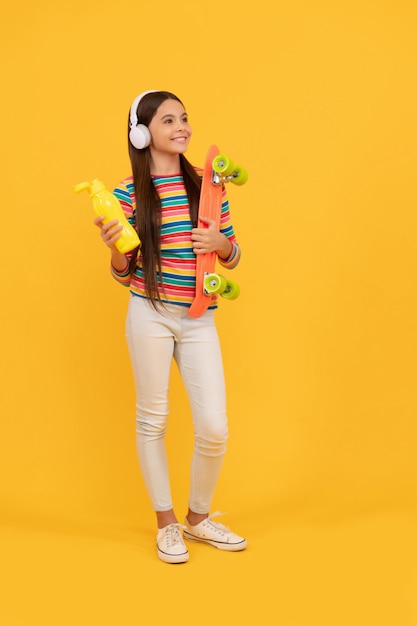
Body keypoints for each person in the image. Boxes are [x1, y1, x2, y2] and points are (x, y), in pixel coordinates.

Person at [94, 90, 247, 564]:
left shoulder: (208, 185)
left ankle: (198, 519)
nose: (181, 127)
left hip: (200, 318)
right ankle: (167, 524)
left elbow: (235, 257)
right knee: (152, 419)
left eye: (184, 118)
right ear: (143, 133)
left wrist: (221, 243)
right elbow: (124, 274)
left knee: (214, 427)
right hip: (150, 314)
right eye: (168, 120)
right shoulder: (127, 193)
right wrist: (116, 247)